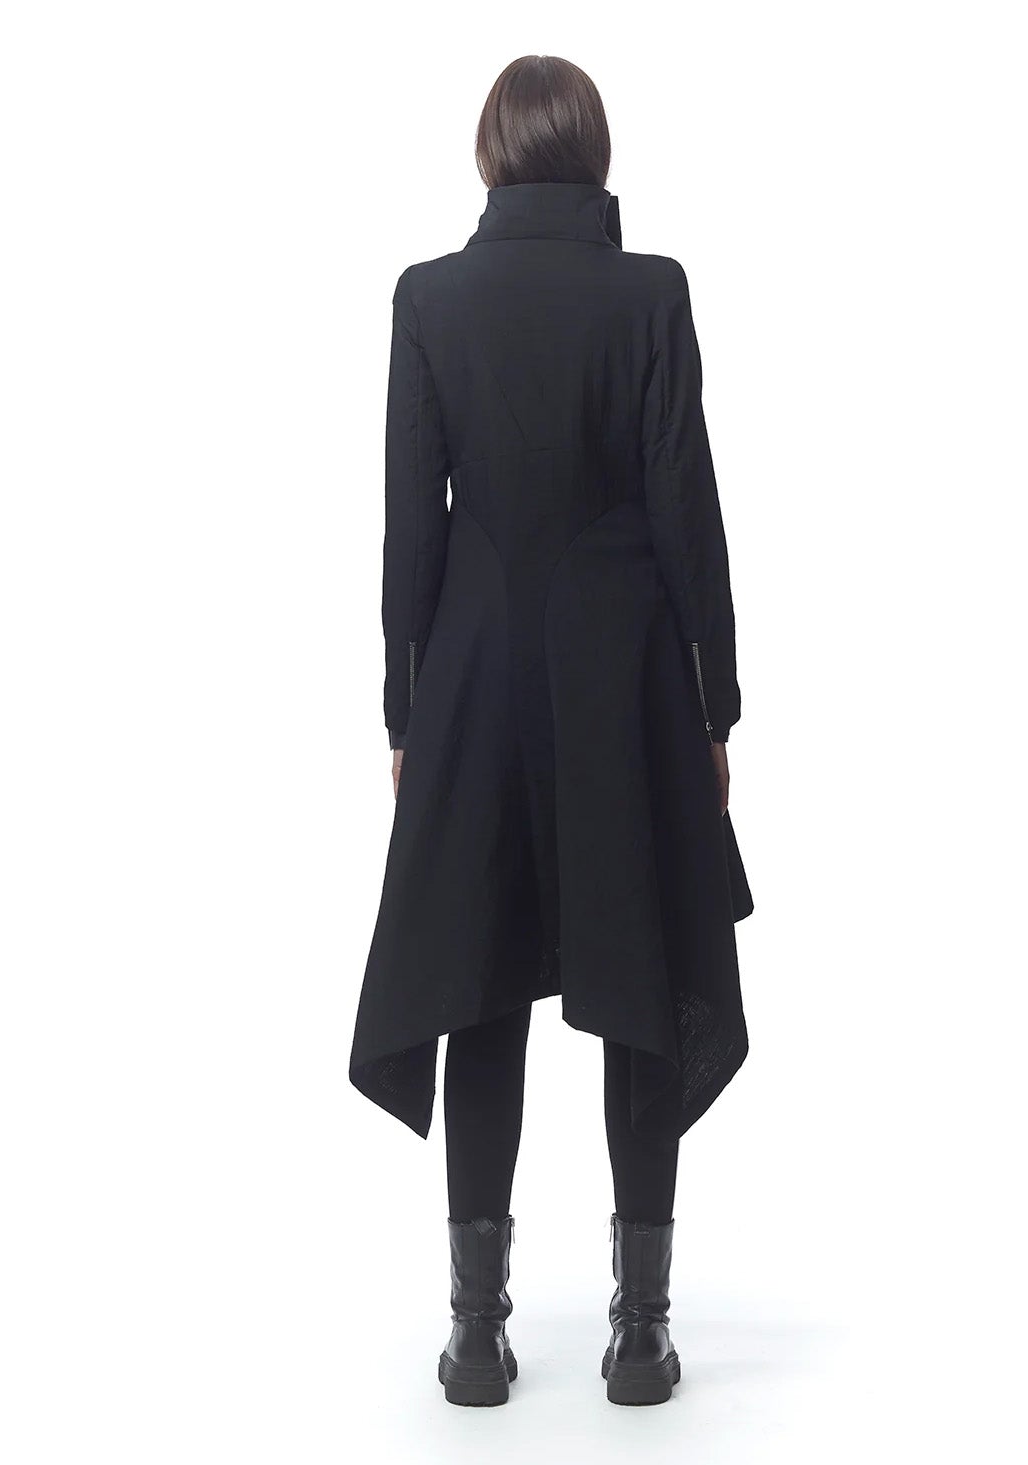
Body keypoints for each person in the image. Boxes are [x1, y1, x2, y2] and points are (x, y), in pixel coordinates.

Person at [349, 54, 753, 1407]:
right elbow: (687, 511)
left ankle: (476, 1334)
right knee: (640, 979)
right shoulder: (651, 294)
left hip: (476, 677)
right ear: (593, 152)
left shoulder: (430, 299)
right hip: (626, 675)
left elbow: (412, 530)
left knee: (479, 985)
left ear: (490, 154)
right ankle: (641, 1334)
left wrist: (407, 709)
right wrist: (715, 702)